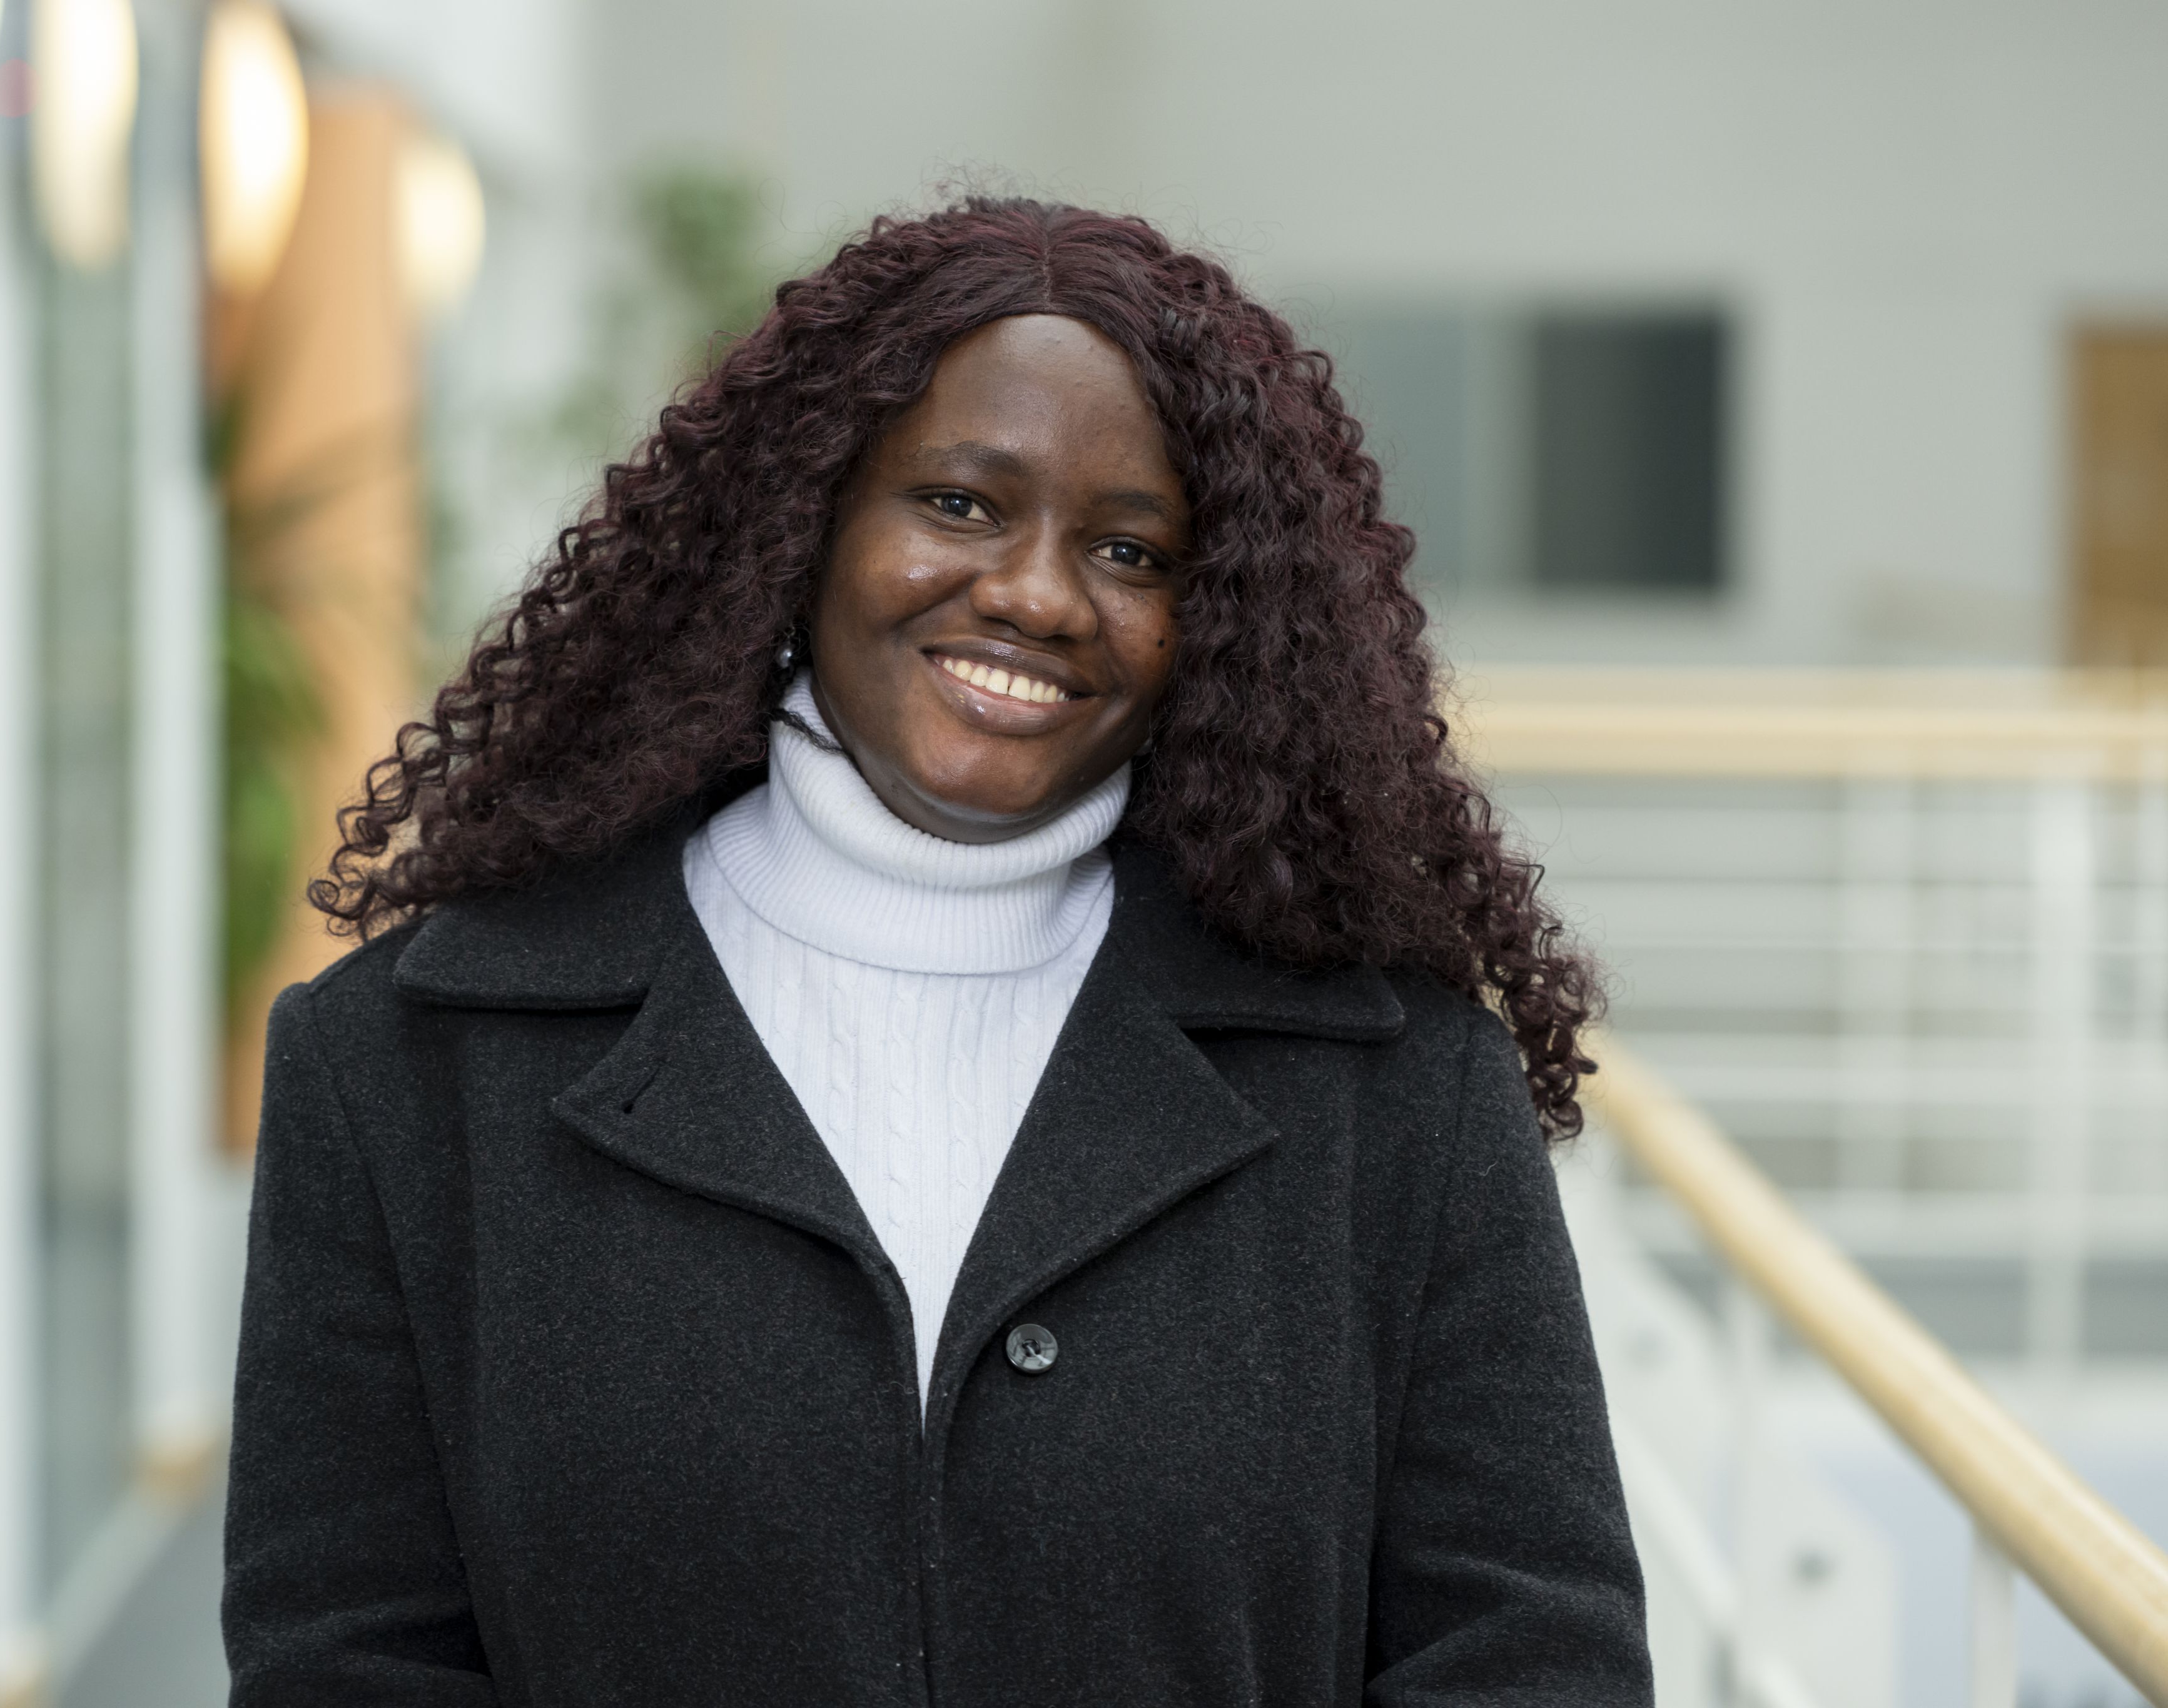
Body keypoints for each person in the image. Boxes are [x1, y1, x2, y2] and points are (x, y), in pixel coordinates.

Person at [222, 198, 1649, 1706]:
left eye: (1127, 548)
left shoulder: (1401, 1094)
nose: (1036, 594)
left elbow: (1529, 1658)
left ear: (1211, 620)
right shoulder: (401, 1067)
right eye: (960, 505)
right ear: (802, 524)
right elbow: (346, 1659)